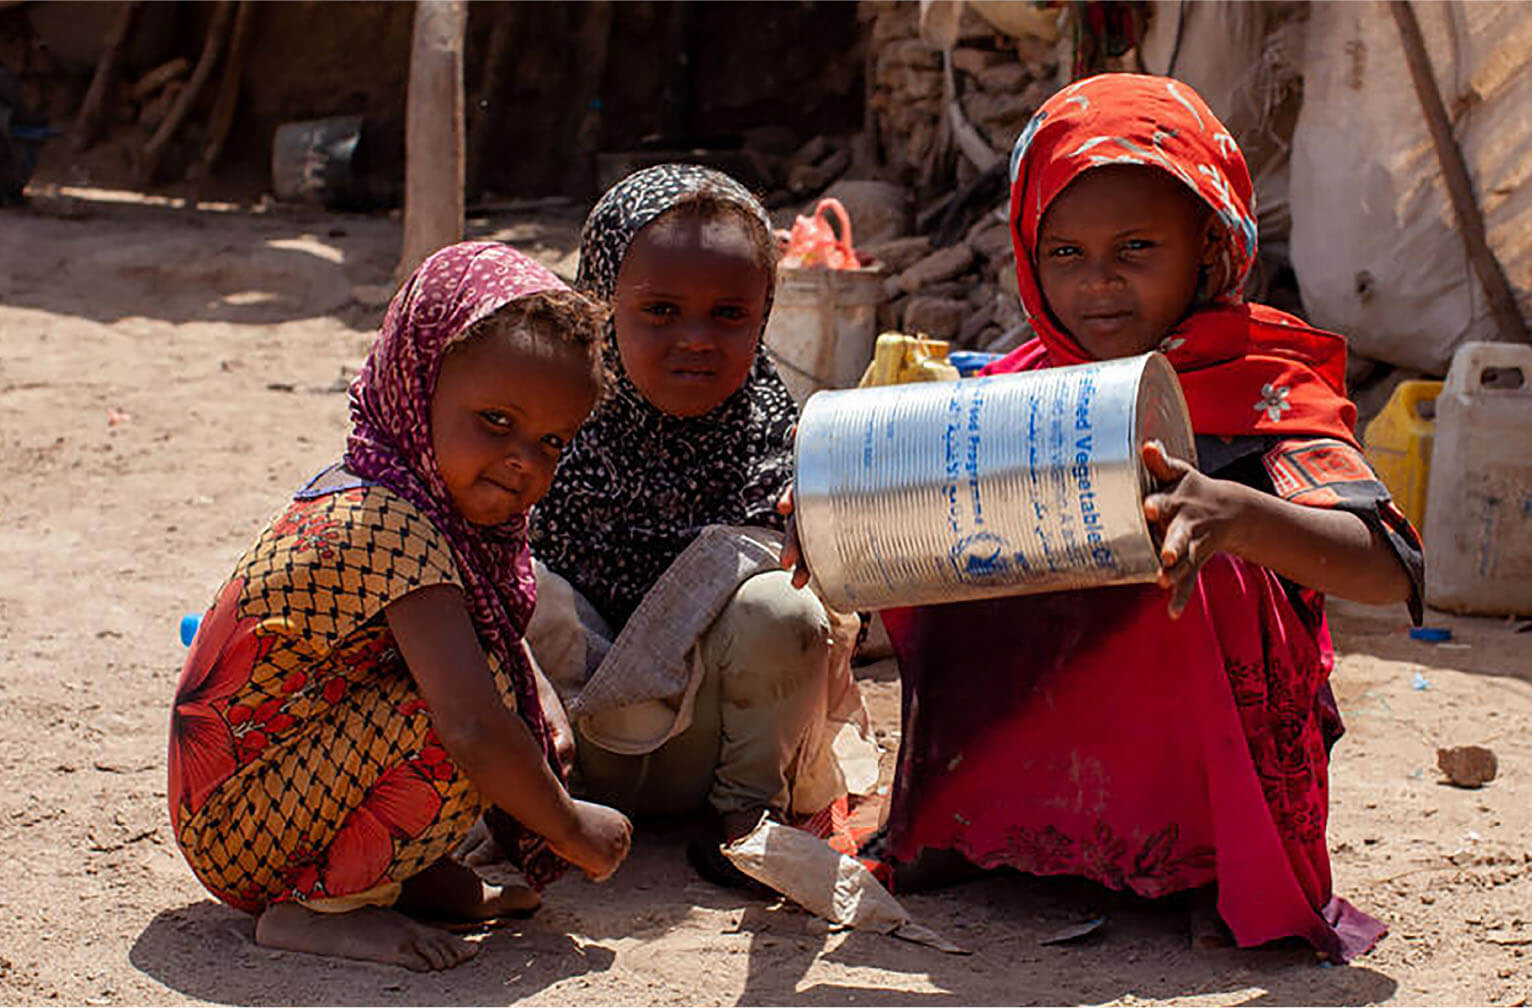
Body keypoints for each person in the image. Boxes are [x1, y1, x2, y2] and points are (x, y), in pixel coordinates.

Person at [789, 74, 1423, 963]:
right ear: (1029, 253)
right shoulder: (1019, 395)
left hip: (1198, 733)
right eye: (1066, 254)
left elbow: (1389, 566)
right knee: (967, 523)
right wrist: (831, 514)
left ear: (1209, 242)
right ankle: (982, 827)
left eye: (1135, 248)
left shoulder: (1262, 385)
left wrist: (1237, 515)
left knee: (1202, 569)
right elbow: (897, 522)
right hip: (1041, 723)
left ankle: (1207, 863)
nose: (1099, 284)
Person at [167, 242, 632, 972]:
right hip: (240, 825)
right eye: (496, 421)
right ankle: (319, 908)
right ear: (419, 387)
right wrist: (571, 828)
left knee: (500, 694)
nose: (524, 460)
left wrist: (539, 705)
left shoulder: (401, 491)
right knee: (467, 720)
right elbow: (473, 724)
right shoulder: (390, 523)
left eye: (550, 442)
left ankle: (393, 874)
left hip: (269, 789)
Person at [527, 164, 876, 887]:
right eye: (660, 311)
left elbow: (848, 621)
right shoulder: (543, 430)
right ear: (598, 306)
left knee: (786, 603)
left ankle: (748, 822)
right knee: (511, 588)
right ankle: (524, 817)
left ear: (765, 315)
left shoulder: (791, 447)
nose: (697, 339)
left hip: (709, 753)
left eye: (729, 315)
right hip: (561, 754)